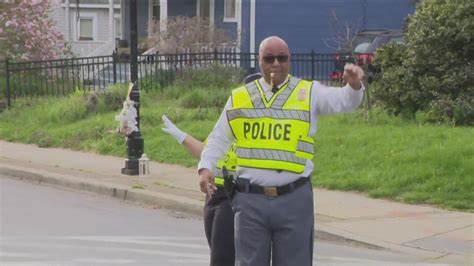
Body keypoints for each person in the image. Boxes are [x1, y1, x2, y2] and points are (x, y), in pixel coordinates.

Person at [197, 36, 364, 266]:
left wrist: (353, 86)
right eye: (269, 58)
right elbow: (218, 138)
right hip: (250, 200)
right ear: (259, 61)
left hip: (294, 199)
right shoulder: (240, 97)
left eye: (282, 58)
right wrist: (205, 168)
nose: (276, 63)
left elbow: (342, 101)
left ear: (289, 60)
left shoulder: (308, 93)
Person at [161, 73, 262, 266]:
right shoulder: (231, 122)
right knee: (217, 252)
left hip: (233, 198)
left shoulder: (258, 130)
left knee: (222, 258)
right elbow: (208, 153)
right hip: (212, 196)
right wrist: (182, 136)